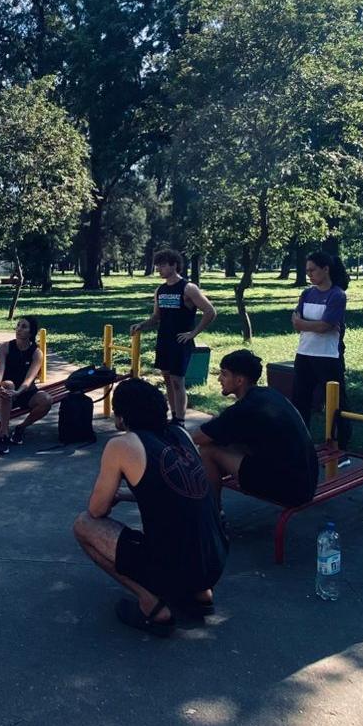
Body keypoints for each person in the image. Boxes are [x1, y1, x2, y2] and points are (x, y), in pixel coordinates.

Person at [73, 379, 227, 636]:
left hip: (175, 564)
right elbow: (179, 490)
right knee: (189, 529)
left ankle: (152, 607)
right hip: (215, 559)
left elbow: (97, 510)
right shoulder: (182, 435)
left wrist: (112, 494)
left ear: (122, 416)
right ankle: (201, 595)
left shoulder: (122, 445)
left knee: (83, 525)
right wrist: (125, 494)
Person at [194, 349, 318, 509]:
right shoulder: (269, 394)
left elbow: (198, 437)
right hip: (307, 483)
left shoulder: (245, 409)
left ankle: (214, 516)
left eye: (224, 374)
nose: (219, 378)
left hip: (290, 491)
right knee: (226, 443)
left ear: (239, 380)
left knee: (208, 450)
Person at [130, 249, 216, 423]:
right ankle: (173, 416)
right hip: (164, 341)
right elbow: (156, 317)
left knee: (178, 381)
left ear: (174, 265)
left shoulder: (188, 288)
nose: (159, 269)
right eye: (157, 266)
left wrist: (193, 334)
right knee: (168, 380)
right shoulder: (160, 290)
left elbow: (210, 312)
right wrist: (141, 325)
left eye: (162, 265)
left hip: (180, 342)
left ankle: (180, 420)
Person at [290, 250, 351, 448]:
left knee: (336, 403)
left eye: (313, 270)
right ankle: (302, 444)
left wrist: (308, 324)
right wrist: (317, 324)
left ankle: (341, 447)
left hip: (328, 356)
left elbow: (326, 326)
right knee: (300, 401)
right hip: (305, 354)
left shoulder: (337, 295)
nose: (309, 274)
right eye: (307, 271)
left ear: (326, 269)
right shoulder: (307, 293)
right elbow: (296, 322)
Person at [0, 316, 54, 456]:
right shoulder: (6, 347)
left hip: (25, 392)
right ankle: (4, 434)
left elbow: (29, 379)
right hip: (5, 393)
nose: (19, 329)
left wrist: (18, 392)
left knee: (46, 400)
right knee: (8, 384)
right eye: (18, 325)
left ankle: (20, 428)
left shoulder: (37, 353)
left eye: (24, 327)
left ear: (31, 333)